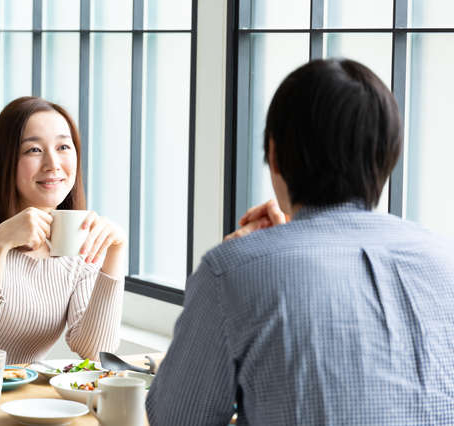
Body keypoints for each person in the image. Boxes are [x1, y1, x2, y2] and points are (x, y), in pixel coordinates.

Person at [146, 59, 454, 425]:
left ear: (274, 154)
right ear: (389, 155)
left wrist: (240, 263)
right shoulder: (444, 257)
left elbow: (175, 419)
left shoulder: (231, 272)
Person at [0, 97, 126, 370]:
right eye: (34, 150)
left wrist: (115, 254)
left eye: (63, 146)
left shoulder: (77, 235)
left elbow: (96, 351)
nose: (53, 163)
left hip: (23, 399)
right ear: (6, 160)